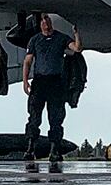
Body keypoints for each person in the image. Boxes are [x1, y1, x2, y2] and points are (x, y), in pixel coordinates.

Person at [21, 14, 82, 161]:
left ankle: (54, 150)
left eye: (47, 19)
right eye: (42, 20)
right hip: (39, 82)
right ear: (40, 24)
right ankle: (30, 149)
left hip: (56, 83)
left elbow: (77, 48)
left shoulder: (61, 38)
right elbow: (28, 61)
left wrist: (76, 33)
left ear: (50, 22)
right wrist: (25, 81)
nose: (45, 22)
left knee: (56, 118)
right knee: (34, 117)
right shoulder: (35, 40)